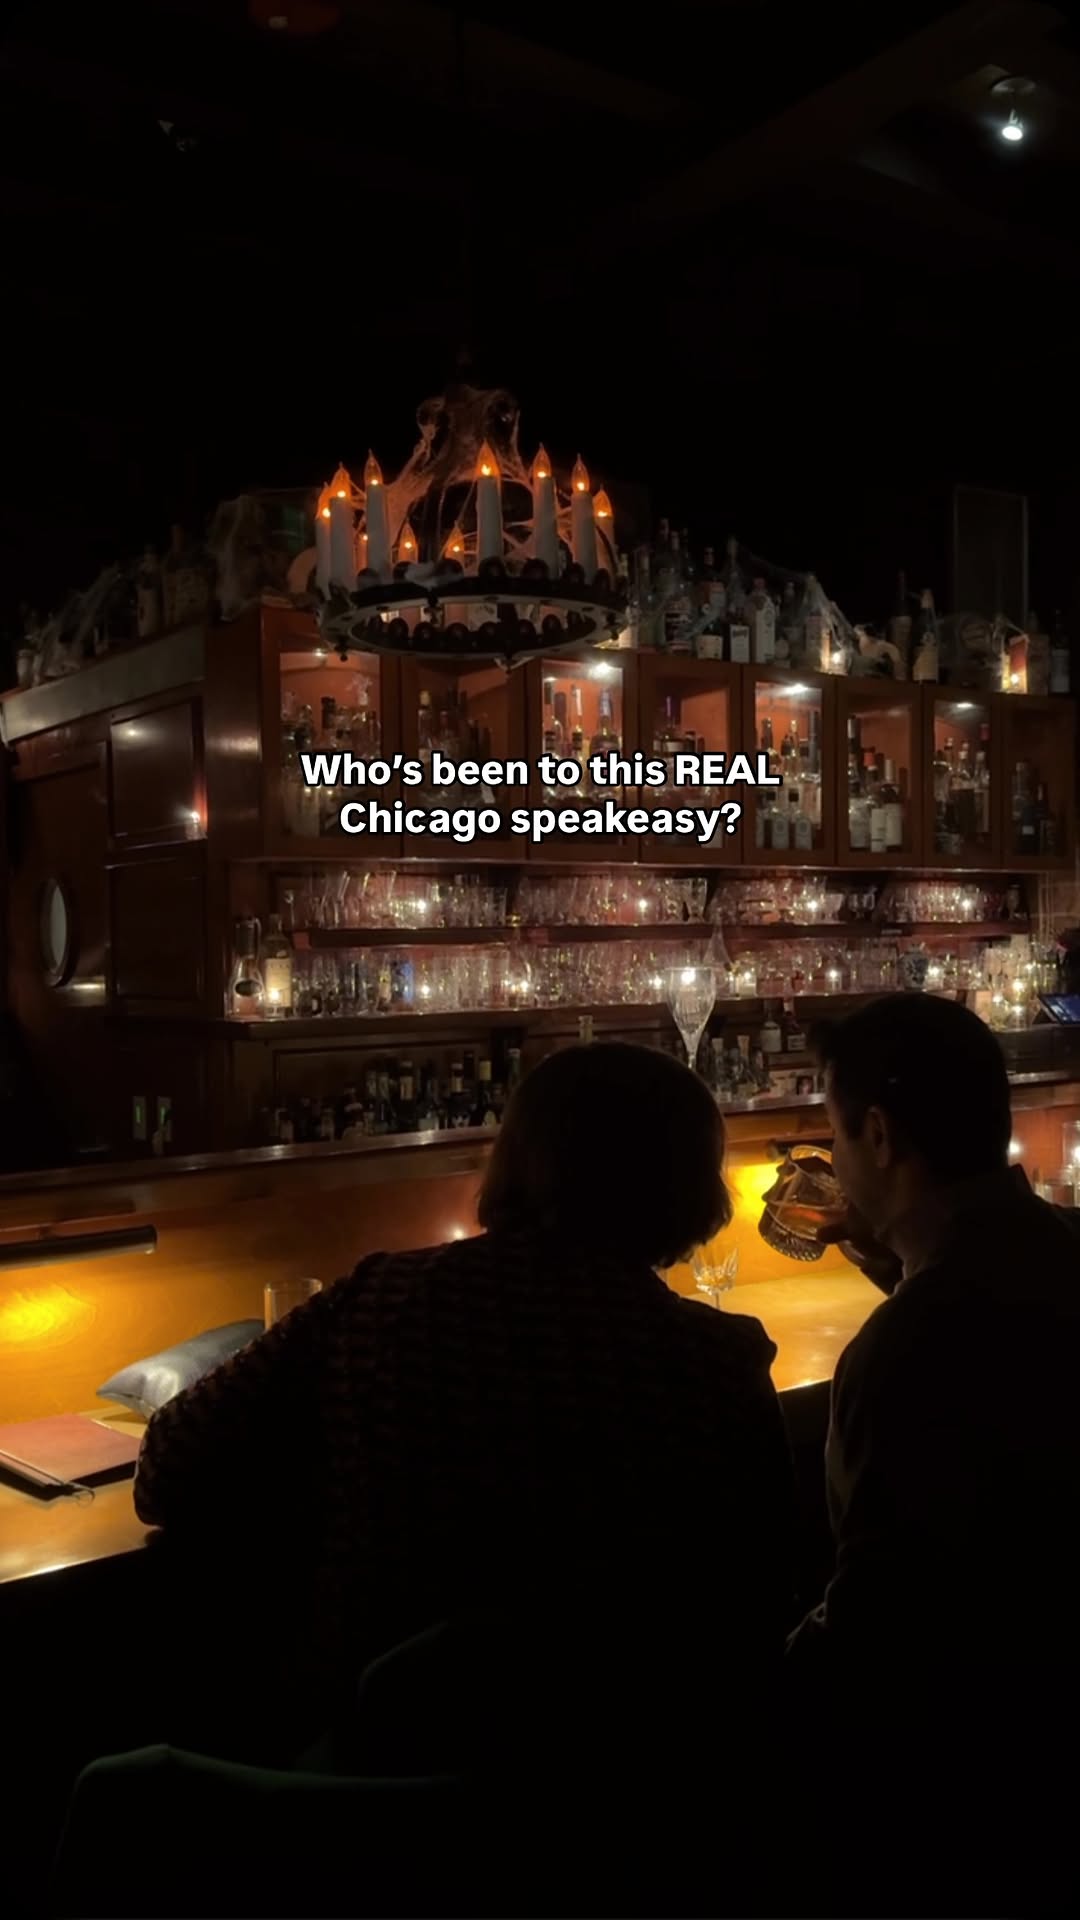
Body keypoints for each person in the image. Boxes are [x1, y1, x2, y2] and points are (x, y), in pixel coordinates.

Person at [134, 1043, 796, 1799]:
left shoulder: (382, 1297)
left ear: (515, 1160)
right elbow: (760, 1605)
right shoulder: (713, 1359)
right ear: (693, 1190)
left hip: (366, 1782)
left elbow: (167, 1469)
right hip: (628, 1788)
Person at [791, 995, 1080, 1913]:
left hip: (968, 1793)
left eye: (836, 1133)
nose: (835, 1158)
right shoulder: (1061, 1247)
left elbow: (882, 1624)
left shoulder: (906, 1347)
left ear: (877, 1135)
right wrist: (890, 1257)